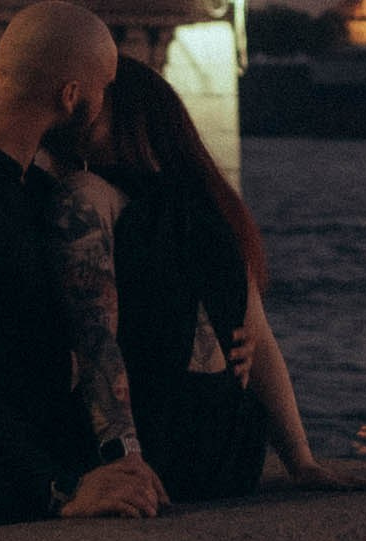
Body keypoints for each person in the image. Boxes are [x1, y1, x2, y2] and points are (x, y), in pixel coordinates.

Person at [0, 0, 167, 536]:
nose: (105, 104)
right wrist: (62, 487)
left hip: (14, 487)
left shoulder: (28, 192)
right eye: (103, 89)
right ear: (69, 96)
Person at [76, 55, 344, 502]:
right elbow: (259, 339)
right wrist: (300, 459)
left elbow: (93, 341)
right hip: (232, 451)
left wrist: (123, 456)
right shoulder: (209, 208)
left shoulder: (91, 195)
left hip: (154, 449)